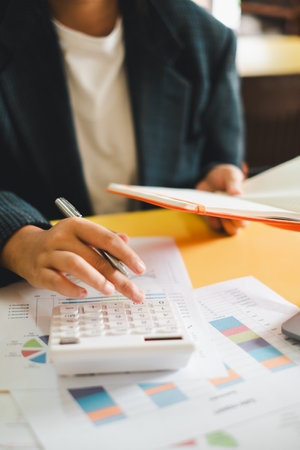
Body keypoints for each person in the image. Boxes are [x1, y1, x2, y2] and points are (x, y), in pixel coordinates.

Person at [0, 0, 245, 301]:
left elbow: (220, 155)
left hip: (177, 270)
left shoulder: (204, 37)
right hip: (40, 289)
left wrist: (216, 178)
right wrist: (20, 241)